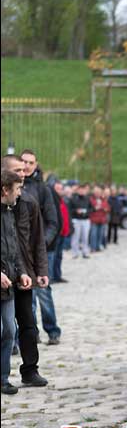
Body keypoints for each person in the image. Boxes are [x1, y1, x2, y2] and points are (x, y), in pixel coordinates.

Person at [1, 155, 49, 387]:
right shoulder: (6, 202)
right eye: (17, 170)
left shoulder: (29, 200)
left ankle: (30, 369)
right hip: (4, 270)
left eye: (24, 169)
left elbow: (38, 238)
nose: (23, 173)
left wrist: (41, 269)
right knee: (6, 327)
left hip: (24, 272)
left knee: (28, 323)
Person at [2, 170, 29, 394]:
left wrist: (21, 272)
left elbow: (14, 249)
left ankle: (3, 378)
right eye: (17, 189)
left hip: (8, 286)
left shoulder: (9, 213)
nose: (19, 194)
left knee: (10, 331)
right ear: (5, 190)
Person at [31, 174, 64, 345]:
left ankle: (52, 329)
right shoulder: (15, 188)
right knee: (28, 293)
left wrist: (43, 243)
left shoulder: (44, 190)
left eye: (30, 163)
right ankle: (31, 332)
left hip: (44, 249)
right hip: (24, 250)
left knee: (43, 290)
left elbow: (54, 221)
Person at [50, 181, 71, 283]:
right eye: (57, 189)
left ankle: (58, 275)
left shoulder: (63, 201)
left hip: (63, 233)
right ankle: (52, 276)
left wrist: (69, 229)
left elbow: (66, 217)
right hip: (56, 233)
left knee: (59, 256)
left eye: (60, 189)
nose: (59, 191)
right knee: (53, 256)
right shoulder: (52, 201)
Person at [68, 184, 92, 259]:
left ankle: (85, 252)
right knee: (75, 237)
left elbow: (92, 209)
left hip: (85, 220)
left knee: (85, 237)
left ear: (85, 191)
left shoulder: (88, 199)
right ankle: (75, 253)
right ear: (78, 190)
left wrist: (86, 212)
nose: (81, 191)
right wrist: (76, 211)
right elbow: (69, 210)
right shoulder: (73, 199)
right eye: (80, 189)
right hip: (76, 220)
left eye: (83, 189)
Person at [88, 186, 109, 252]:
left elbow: (108, 208)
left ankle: (98, 247)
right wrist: (95, 208)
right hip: (94, 219)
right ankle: (93, 248)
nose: (97, 193)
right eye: (96, 192)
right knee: (93, 235)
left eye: (99, 192)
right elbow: (89, 208)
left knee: (100, 235)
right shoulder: (90, 199)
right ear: (94, 192)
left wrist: (105, 209)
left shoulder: (103, 199)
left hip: (102, 219)